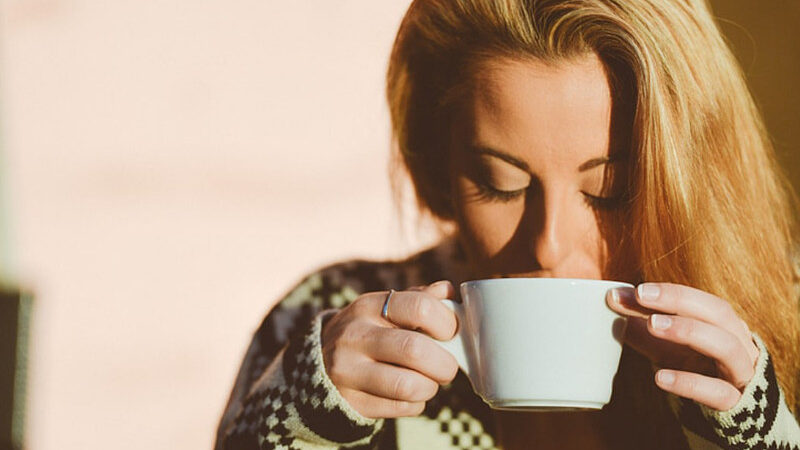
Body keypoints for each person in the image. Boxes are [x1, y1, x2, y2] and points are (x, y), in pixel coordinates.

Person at [215, 0, 800, 448]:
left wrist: (763, 430)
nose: (547, 244)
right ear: (440, 166)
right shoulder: (330, 312)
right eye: (502, 184)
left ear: (694, 174)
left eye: (610, 191)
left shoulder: (784, 312)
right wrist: (300, 424)